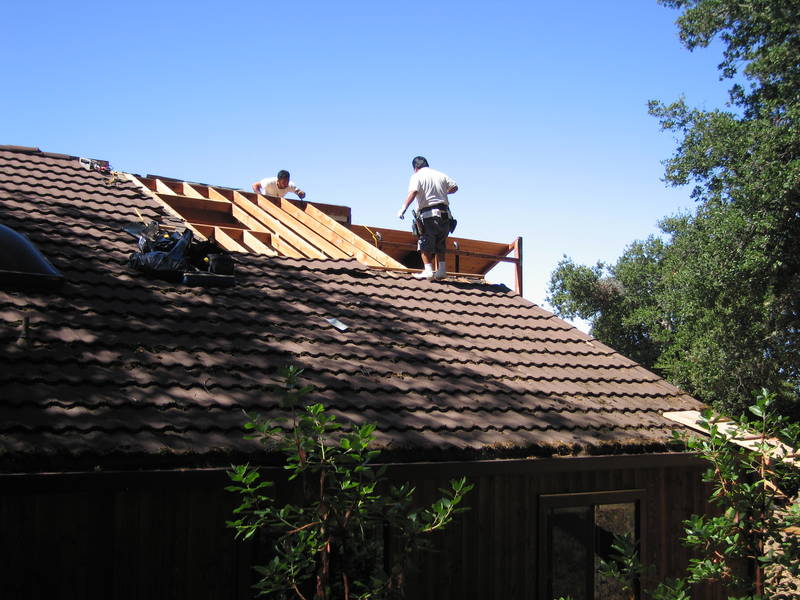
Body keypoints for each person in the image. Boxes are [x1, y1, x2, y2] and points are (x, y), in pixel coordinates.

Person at [397, 156, 458, 280]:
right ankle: (441, 271)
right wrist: (441, 193)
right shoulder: (440, 175)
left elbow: (413, 192)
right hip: (445, 214)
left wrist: (403, 208)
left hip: (428, 214)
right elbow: (455, 187)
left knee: (424, 241)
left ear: (415, 168)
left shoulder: (416, 176)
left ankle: (428, 270)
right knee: (440, 242)